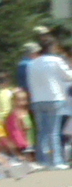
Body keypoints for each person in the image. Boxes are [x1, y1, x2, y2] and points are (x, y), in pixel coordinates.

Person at [25, 37, 71, 169]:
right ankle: (56, 161)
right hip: (54, 97)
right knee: (53, 131)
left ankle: (43, 160)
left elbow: (30, 83)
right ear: (52, 48)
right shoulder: (56, 61)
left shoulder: (32, 63)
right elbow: (68, 76)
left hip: (37, 99)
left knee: (42, 131)